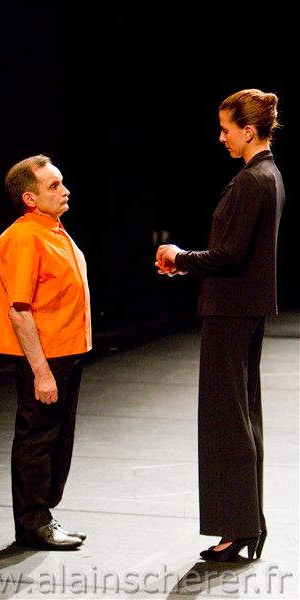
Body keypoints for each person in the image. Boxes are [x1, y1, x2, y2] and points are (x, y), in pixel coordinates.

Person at [156, 89, 285, 562]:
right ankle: (248, 523)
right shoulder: (268, 174)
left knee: (226, 421)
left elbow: (230, 255)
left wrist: (180, 257)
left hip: (230, 311)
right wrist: (188, 265)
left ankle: (239, 527)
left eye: (226, 130)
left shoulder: (252, 179)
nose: (221, 137)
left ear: (248, 131)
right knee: (242, 416)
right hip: (243, 308)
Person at [0, 154, 92, 550]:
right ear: (30, 199)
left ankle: (43, 516)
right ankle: (32, 524)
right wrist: (41, 372)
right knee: (38, 439)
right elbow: (19, 310)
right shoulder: (25, 237)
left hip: (65, 352)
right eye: (53, 186)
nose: (64, 190)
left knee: (57, 438)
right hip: (44, 356)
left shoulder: (52, 230)